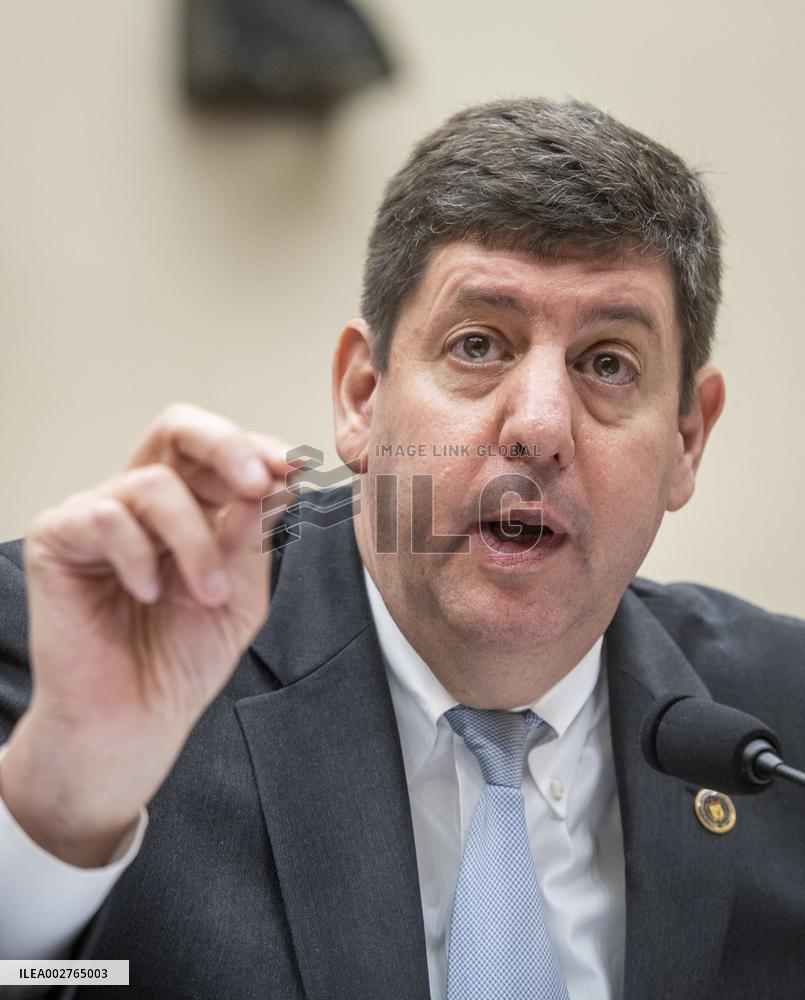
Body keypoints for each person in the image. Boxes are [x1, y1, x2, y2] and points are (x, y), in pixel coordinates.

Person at [0, 97, 803, 1000]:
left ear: (687, 440)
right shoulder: (74, 651)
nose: (540, 427)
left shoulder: (783, 719)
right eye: (477, 344)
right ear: (362, 397)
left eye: (607, 363)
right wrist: (60, 804)